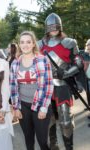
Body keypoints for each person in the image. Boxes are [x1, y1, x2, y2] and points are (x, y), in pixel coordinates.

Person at [39, 13, 83, 150]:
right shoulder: (39, 44)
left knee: (65, 121)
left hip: (62, 85)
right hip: (46, 87)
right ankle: (54, 145)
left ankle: (69, 147)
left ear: (60, 27)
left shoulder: (69, 42)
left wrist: (67, 72)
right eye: (50, 27)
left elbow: (79, 62)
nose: (53, 29)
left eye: (55, 27)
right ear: (46, 28)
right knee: (49, 118)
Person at [10, 31, 54, 150]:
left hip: (40, 105)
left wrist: (44, 107)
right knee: (28, 140)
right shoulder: (15, 63)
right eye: (22, 42)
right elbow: (13, 87)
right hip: (23, 106)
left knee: (42, 141)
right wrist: (15, 107)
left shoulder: (43, 60)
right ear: (19, 44)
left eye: (28, 42)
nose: (25, 45)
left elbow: (49, 85)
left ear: (34, 43)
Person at [79, 39, 90, 126]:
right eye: (88, 45)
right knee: (88, 95)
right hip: (87, 79)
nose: (89, 46)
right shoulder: (84, 54)